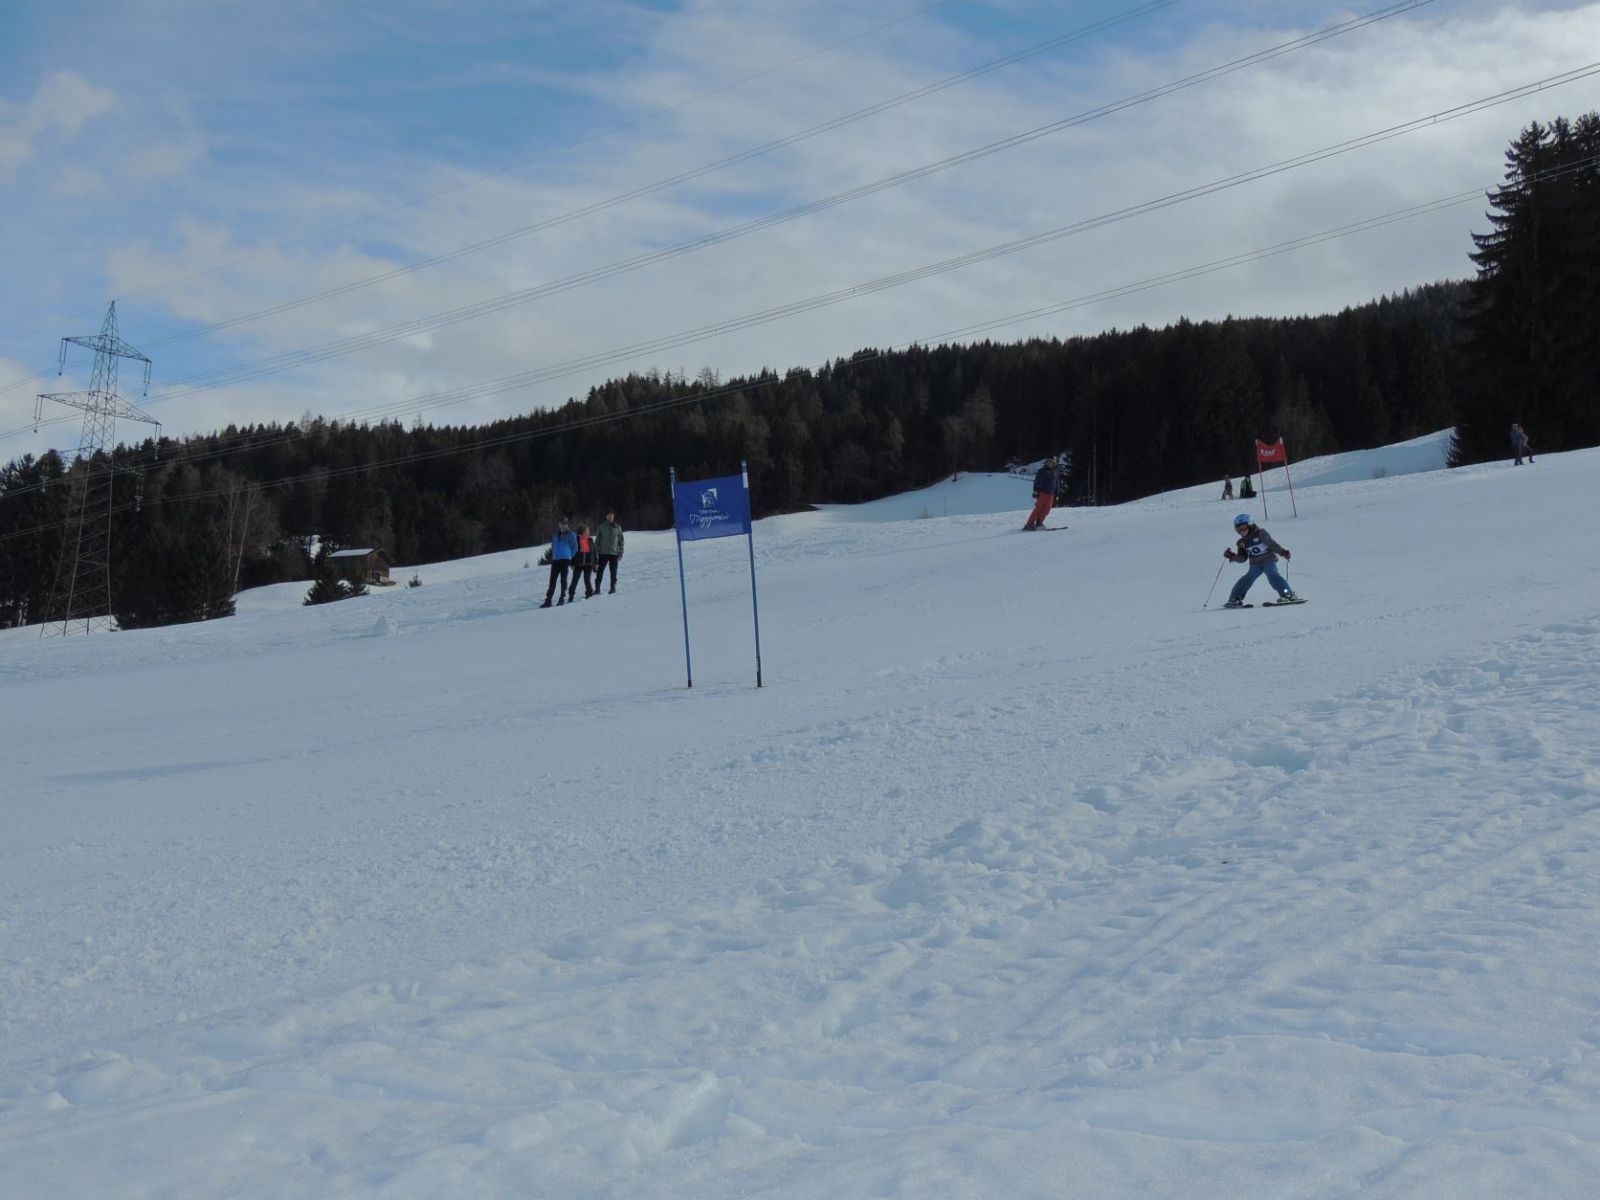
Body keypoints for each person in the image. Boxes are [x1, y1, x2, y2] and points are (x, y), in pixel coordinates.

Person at [1223, 513, 1301, 607]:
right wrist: (1231, 556)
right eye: (1238, 529)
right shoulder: (1242, 542)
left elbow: (1272, 544)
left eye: (1243, 528)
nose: (1242, 531)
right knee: (1246, 579)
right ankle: (1235, 598)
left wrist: (1283, 552)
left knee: (1273, 577)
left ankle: (1288, 594)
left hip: (1268, 561)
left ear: (1250, 525)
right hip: (1255, 565)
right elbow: (1242, 558)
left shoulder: (1260, 533)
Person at [541, 516, 578, 608]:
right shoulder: (555, 534)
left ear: (567, 524)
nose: (562, 525)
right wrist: (554, 554)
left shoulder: (571, 535)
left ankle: (562, 598)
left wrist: (569, 556)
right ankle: (548, 600)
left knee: (563, 580)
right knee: (552, 580)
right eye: (561, 524)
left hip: (565, 560)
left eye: (564, 524)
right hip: (555, 560)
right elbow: (553, 545)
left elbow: (575, 548)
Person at [1023, 456, 1063, 531]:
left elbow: (1057, 484)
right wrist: (1035, 491)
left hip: (1051, 494)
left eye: (1052, 462)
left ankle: (1039, 523)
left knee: (1047, 509)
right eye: (1049, 462)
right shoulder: (1041, 471)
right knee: (1038, 509)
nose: (1050, 463)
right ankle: (1029, 524)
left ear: (1054, 463)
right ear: (1046, 462)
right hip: (1042, 493)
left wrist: (1057, 494)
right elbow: (1036, 481)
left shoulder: (1056, 472)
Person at [594, 510, 624, 593]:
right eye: (609, 516)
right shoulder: (602, 526)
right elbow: (597, 540)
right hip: (603, 553)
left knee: (613, 572)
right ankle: (597, 589)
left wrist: (621, 552)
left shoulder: (617, 527)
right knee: (600, 571)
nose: (610, 517)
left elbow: (621, 540)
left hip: (614, 553)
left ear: (613, 517)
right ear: (606, 517)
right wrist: (595, 551)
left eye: (612, 516)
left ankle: (612, 588)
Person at [570, 523, 597, 600]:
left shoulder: (590, 540)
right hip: (578, 564)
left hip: (589, 563)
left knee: (587, 580)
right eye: (587, 530)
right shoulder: (576, 540)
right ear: (583, 531)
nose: (589, 532)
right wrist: (572, 563)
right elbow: (572, 552)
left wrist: (595, 564)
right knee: (575, 580)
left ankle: (589, 594)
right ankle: (571, 595)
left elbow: (594, 552)